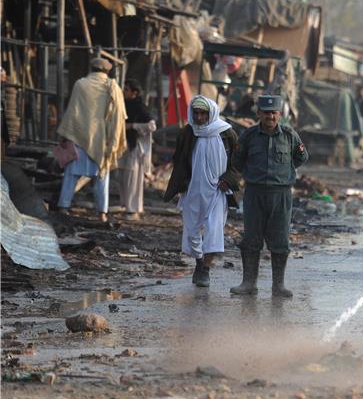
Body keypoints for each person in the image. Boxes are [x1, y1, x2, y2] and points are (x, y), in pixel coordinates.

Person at [230, 95, 309, 297]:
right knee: (251, 239)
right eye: (266, 112)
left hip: (280, 195)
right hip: (254, 193)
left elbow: (301, 157)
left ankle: (278, 286)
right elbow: (237, 161)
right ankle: (248, 284)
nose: (270, 116)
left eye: (274, 112)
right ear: (259, 114)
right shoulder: (248, 136)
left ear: (280, 114)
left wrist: (282, 174)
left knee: (280, 240)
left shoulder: (290, 136)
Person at [164, 95, 240, 287]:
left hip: (217, 190)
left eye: (203, 113)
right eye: (196, 113)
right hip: (192, 189)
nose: (199, 117)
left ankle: (205, 269)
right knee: (191, 232)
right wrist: (180, 184)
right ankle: (198, 262)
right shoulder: (188, 133)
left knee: (214, 231)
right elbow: (179, 159)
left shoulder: (226, 133)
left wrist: (228, 180)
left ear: (211, 113)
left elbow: (238, 162)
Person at [56, 58, 127, 222]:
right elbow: (118, 117)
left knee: (71, 174)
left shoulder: (80, 84)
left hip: (79, 137)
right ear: (107, 71)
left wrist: (65, 136)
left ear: (91, 68)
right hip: (101, 140)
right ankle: (102, 212)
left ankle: (63, 206)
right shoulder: (113, 87)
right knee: (102, 177)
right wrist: (113, 140)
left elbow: (72, 112)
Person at [117, 79, 156, 220]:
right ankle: (127, 207)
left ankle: (133, 209)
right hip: (124, 145)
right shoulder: (123, 105)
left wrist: (133, 126)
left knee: (132, 178)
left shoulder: (140, 107)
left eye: (127, 89)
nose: (124, 91)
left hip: (135, 147)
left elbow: (151, 126)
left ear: (134, 93)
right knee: (123, 177)